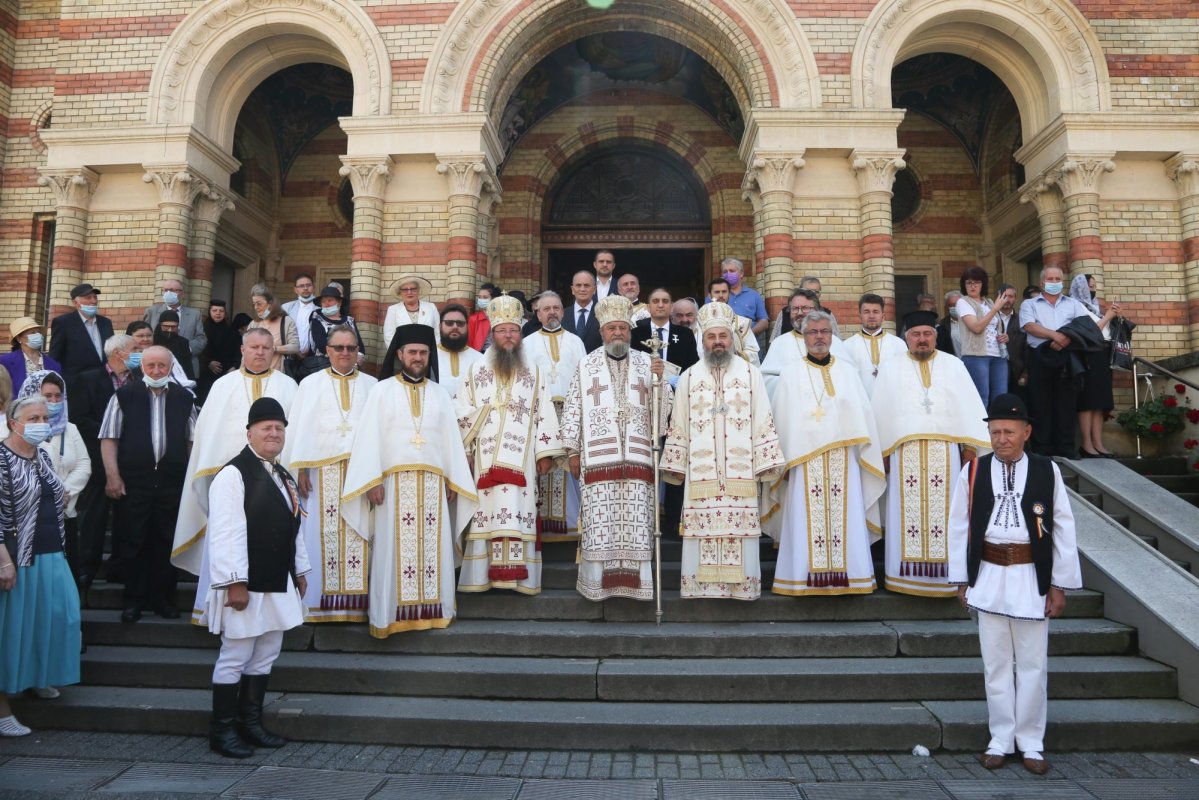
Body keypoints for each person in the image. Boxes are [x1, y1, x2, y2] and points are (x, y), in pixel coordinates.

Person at [948, 393, 1082, 775]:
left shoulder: (1047, 470)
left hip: (1030, 576)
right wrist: (961, 579)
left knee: (1033, 663)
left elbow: (1063, 527)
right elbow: (959, 526)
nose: (1001, 438)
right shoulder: (973, 470)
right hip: (989, 574)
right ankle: (1000, 738)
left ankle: (1031, 742)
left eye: (1008, 431)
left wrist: (1058, 584)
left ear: (1027, 432)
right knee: (995, 664)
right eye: (994, 432)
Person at [341, 325, 476, 636]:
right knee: (392, 552)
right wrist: (372, 479)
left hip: (432, 484)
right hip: (392, 486)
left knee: (433, 550)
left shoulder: (441, 394)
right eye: (412, 352)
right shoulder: (381, 390)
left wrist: (451, 479)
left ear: (430, 356)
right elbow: (369, 438)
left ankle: (436, 610)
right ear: (399, 354)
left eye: (423, 353)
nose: (418, 357)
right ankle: (389, 615)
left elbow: (450, 441)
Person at [204, 397, 309, 759]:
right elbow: (225, 531)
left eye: (279, 428)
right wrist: (234, 581)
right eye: (266, 428)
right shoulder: (233, 474)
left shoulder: (281, 473)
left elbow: (294, 525)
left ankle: (250, 725)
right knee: (236, 654)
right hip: (246, 583)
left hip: (278, 579)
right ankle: (222, 732)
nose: (274, 433)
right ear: (249, 433)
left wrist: (300, 571)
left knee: (265, 654)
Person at [171, 328, 299, 624]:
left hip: (273, 487)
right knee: (229, 540)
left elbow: (296, 437)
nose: (260, 352)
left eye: (266, 347)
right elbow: (208, 439)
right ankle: (217, 613)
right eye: (254, 346)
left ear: (273, 351)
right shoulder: (222, 385)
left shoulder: (289, 386)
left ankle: (272, 616)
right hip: (231, 485)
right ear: (242, 350)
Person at [661, 302, 785, 600]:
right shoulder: (690, 376)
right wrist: (675, 464)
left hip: (739, 471)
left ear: (732, 339)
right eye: (711, 336)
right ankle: (700, 589)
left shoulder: (750, 374)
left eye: (723, 336)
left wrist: (766, 461)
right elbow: (678, 423)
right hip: (700, 473)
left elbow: (763, 417)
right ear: (702, 340)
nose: (717, 342)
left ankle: (741, 589)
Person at [766, 311, 885, 596]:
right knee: (805, 520)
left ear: (832, 336)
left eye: (824, 332)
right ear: (804, 337)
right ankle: (801, 577)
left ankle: (852, 577)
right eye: (813, 333)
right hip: (804, 461)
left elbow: (862, 416)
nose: (819, 337)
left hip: (844, 460)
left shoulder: (847, 371)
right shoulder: (791, 373)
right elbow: (783, 419)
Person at [872, 310, 989, 598]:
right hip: (903, 453)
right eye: (915, 335)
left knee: (948, 514)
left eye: (927, 334)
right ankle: (903, 578)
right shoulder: (891, 367)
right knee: (904, 513)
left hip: (946, 453)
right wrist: (882, 452)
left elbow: (970, 409)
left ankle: (947, 578)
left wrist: (971, 447)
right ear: (906, 339)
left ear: (936, 336)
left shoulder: (953, 365)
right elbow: (880, 412)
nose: (921, 340)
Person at [562, 296, 670, 601]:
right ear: (602, 332)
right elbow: (573, 408)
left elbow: (661, 417)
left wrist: (661, 382)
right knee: (600, 524)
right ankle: (597, 586)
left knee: (637, 525)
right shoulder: (586, 365)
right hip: (598, 458)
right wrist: (572, 450)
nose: (618, 334)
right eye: (612, 329)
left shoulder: (647, 363)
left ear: (631, 331)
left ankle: (638, 588)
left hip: (638, 456)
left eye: (623, 328)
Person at [455, 294, 564, 594]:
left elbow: (544, 411)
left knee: (519, 510)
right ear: (492, 334)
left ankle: (518, 578)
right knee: (485, 515)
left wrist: (546, 453)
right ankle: (481, 577)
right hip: (484, 456)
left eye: (513, 330)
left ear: (521, 334)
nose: (508, 336)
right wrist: (465, 450)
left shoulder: (535, 371)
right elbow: (461, 410)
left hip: (523, 458)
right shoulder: (475, 370)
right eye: (502, 330)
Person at [280, 326, 377, 623]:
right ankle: (318, 604)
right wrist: (302, 468)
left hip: (361, 474)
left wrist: (377, 476)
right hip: (320, 475)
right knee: (320, 537)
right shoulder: (309, 384)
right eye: (339, 347)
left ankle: (356, 606)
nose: (345, 353)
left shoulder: (374, 385)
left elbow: (379, 434)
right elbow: (300, 429)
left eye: (350, 348)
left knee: (361, 535)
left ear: (357, 351)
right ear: (328, 350)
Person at [0, 395, 82, 736]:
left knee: (59, 617)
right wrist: (3, 561)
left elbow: (56, 493)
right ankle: (3, 709)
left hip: (51, 552)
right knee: (11, 632)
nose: (40, 423)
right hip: (17, 559)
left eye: (44, 417)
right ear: (12, 422)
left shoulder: (43, 455)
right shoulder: (1, 458)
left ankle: (36, 676)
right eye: (33, 417)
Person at [99, 346, 196, 623]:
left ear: (170, 367)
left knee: (167, 541)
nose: (156, 371)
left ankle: (163, 599)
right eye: (151, 365)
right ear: (142, 367)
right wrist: (112, 476)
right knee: (134, 541)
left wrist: (191, 479)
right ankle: (134, 600)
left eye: (161, 366)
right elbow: (109, 438)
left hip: (171, 483)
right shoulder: (124, 396)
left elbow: (192, 442)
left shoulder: (184, 398)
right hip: (134, 483)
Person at [69, 334, 137, 601]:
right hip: (97, 462)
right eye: (134, 349)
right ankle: (86, 573)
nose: (138, 354)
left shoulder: (138, 381)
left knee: (126, 520)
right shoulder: (86, 379)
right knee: (94, 521)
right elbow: (79, 418)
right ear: (118, 353)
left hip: (130, 462)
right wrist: (112, 432)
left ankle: (119, 569)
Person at [16, 371, 90, 587]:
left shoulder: (70, 429)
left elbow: (84, 465)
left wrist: (62, 492)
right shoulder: (13, 431)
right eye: (47, 396)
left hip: (65, 514)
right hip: (27, 519)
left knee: (65, 578)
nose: (54, 402)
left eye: (58, 396)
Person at [524, 291, 585, 543]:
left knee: (571, 466)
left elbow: (583, 376)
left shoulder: (575, 341)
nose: (552, 312)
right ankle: (543, 525)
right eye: (546, 309)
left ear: (563, 311)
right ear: (538, 314)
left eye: (556, 308)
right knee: (543, 463)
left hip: (570, 413)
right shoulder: (527, 343)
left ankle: (572, 524)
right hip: (540, 414)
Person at [1018, 266, 1084, 458]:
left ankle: (1066, 446)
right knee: (1040, 402)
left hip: (1066, 354)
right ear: (1042, 283)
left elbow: (1082, 326)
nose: (1054, 282)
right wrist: (1054, 336)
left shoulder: (1073, 304)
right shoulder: (1029, 304)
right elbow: (1029, 326)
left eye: (1057, 279)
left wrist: (1065, 338)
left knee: (1066, 402)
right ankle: (1043, 447)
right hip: (1039, 355)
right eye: (1050, 279)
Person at [760, 288, 844, 397]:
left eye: (805, 308)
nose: (799, 313)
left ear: (817, 311)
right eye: (794, 308)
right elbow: (766, 381)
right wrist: (795, 381)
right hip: (794, 406)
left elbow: (847, 378)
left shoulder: (834, 342)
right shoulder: (779, 343)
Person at [1071, 274, 1120, 458]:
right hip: (1088, 354)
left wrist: (1111, 316)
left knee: (1100, 402)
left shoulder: (1095, 307)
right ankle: (1086, 444)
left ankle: (1098, 443)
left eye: (1094, 286)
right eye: (1090, 286)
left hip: (1103, 353)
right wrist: (1108, 316)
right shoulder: (1076, 306)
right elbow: (1089, 331)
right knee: (1088, 401)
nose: (1093, 289)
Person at [956, 266, 1011, 404]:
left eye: (976, 282)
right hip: (976, 356)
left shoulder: (989, 302)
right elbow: (976, 327)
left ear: (983, 284)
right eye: (968, 283)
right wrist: (995, 309)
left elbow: (993, 328)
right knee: (981, 398)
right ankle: (980, 426)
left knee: (1001, 398)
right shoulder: (963, 302)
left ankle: (997, 426)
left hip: (998, 355)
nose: (972, 286)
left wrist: (1004, 337)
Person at [48, 283, 114, 386]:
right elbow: (55, 357)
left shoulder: (105, 323)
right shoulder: (63, 323)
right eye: (88, 298)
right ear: (75, 302)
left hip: (103, 383)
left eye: (95, 297)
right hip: (76, 385)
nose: (94, 301)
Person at [842, 293, 906, 396]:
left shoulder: (898, 344)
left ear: (883, 316)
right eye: (866, 312)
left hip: (890, 402)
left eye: (876, 312)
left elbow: (904, 378)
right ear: (860, 316)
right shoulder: (847, 346)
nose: (871, 316)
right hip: (861, 405)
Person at [144, 277, 206, 376]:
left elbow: (201, 339)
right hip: (157, 366)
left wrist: (185, 348)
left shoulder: (195, 314)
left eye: (172, 290)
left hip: (186, 365)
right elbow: (145, 335)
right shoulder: (152, 311)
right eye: (165, 290)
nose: (168, 293)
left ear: (182, 293)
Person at [706, 278, 760, 366]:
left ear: (729, 294)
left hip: (735, 370)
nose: (720, 295)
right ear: (709, 295)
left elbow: (752, 350)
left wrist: (737, 356)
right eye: (716, 292)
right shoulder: (700, 322)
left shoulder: (742, 323)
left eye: (724, 292)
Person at [308, 286, 366, 368]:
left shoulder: (350, 320)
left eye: (330, 300)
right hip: (324, 365)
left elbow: (359, 345)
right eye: (323, 302)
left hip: (350, 365)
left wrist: (358, 357)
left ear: (339, 302)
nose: (327, 304)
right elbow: (321, 345)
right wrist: (343, 355)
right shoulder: (316, 318)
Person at [2, 317, 62, 394]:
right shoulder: (5, 362)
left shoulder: (54, 364)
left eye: (38, 332)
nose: (37, 335)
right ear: (19, 338)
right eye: (32, 332)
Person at [247, 284, 299, 374]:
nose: (256, 307)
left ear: (270, 303)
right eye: (254, 304)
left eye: (259, 304)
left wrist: (274, 348)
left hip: (278, 374)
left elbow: (295, 347)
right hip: (254, 374)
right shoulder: (253, 324)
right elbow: (246, 351)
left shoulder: (286, 321)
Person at [434, 304, 482, 398]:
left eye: (460, 323)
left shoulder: (479, 358)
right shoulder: (428, 357)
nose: (455, 327)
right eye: (449, 323)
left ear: (467, 326)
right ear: (440, 326)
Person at [198, 301, 240, 404]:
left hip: (226, 374)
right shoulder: (202, 330)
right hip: (205, 374)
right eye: (214, 310)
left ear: (225, 314)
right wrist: (208, 362)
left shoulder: (232, 332)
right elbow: (198, 350)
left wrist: (234, 366)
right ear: (209, 312)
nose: (218, 313)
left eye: (221, 311)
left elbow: (238, 351)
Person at [382, 274, 440, 348]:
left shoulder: (431, 307)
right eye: (405, 289)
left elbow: (438, 333)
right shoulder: (393, 310)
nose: (409, 292)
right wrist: (399, 354)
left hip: (428, 354)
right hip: (402, 356)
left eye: (413, 289)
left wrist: (435, 353)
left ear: (418, 290)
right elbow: (389, 336)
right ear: (400, 292)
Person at [719, 258, 768, 336]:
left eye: (732, 271)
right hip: (723, 342)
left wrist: (748, 334)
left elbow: (764, 322)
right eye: (725, 272)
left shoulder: (754, 295)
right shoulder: (716, 295)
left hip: (749, 344)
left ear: (741, 274)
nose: (728, 274)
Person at [281, 273, 318, 374]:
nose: (305, 288)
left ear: (313, 287)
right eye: (301, 286)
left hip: (313, 358)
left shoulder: (321, 309)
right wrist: (295, 350)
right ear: (295, 289)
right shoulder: (285, 308)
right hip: (290, 357)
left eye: (308, 285)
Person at [995, 284, 1026, 400]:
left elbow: (1027, 346)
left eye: (1011, 296)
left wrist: (1026, 371)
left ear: (1015, 299)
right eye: (1004, 296)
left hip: (1017, 371)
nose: (1007, 299)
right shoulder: (990, 318)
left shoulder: (1022, 319)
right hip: (995, 367)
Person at [562, 270, 602, 353]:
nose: (582, 289)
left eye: (586, 285)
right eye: (578, 285)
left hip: (595, 363)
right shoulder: (561, 314)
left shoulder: (603, 313)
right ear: (572, 289)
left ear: (594, 289)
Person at [154, 310, 196, 381]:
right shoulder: (153, 341)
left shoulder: (183, 342)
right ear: (160, 325)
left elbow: (187, 366)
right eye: (166, 326)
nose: (170, 330)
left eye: (173, 327)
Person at [469, 282, 499, 351]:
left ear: (493, 298)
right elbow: (470, 342)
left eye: (485, 297)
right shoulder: (473, 319)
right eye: (479, 297)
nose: (481, 299)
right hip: (480, 354)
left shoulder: (500, 317)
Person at [936, 290, 962, 356]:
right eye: (951, 305)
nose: (954, 307)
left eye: (957, 304)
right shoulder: (942, 326)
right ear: (946, 307)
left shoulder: (972, 322)